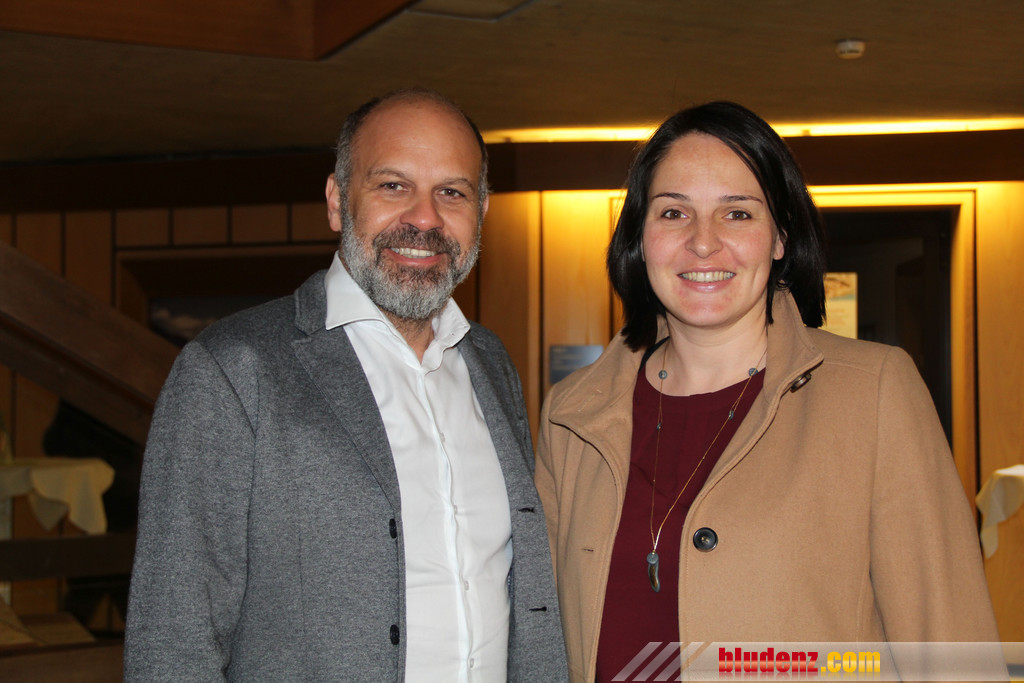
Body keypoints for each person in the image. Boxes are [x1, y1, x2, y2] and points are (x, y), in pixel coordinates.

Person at [535, 101, 1003, 681]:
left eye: (737, 213)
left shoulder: (875, 393)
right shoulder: (571, 415)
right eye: (674, 212)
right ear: (640, 237)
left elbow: (949, 646)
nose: (703, 242)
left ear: (780, 237)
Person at [125, 88, 568, 681]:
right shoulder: (233, 369)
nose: (425, 218)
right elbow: (173, 635)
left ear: (481, 211)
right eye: (393, 185)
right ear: (337, 202)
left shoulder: (490, 363)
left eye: (452, 192)